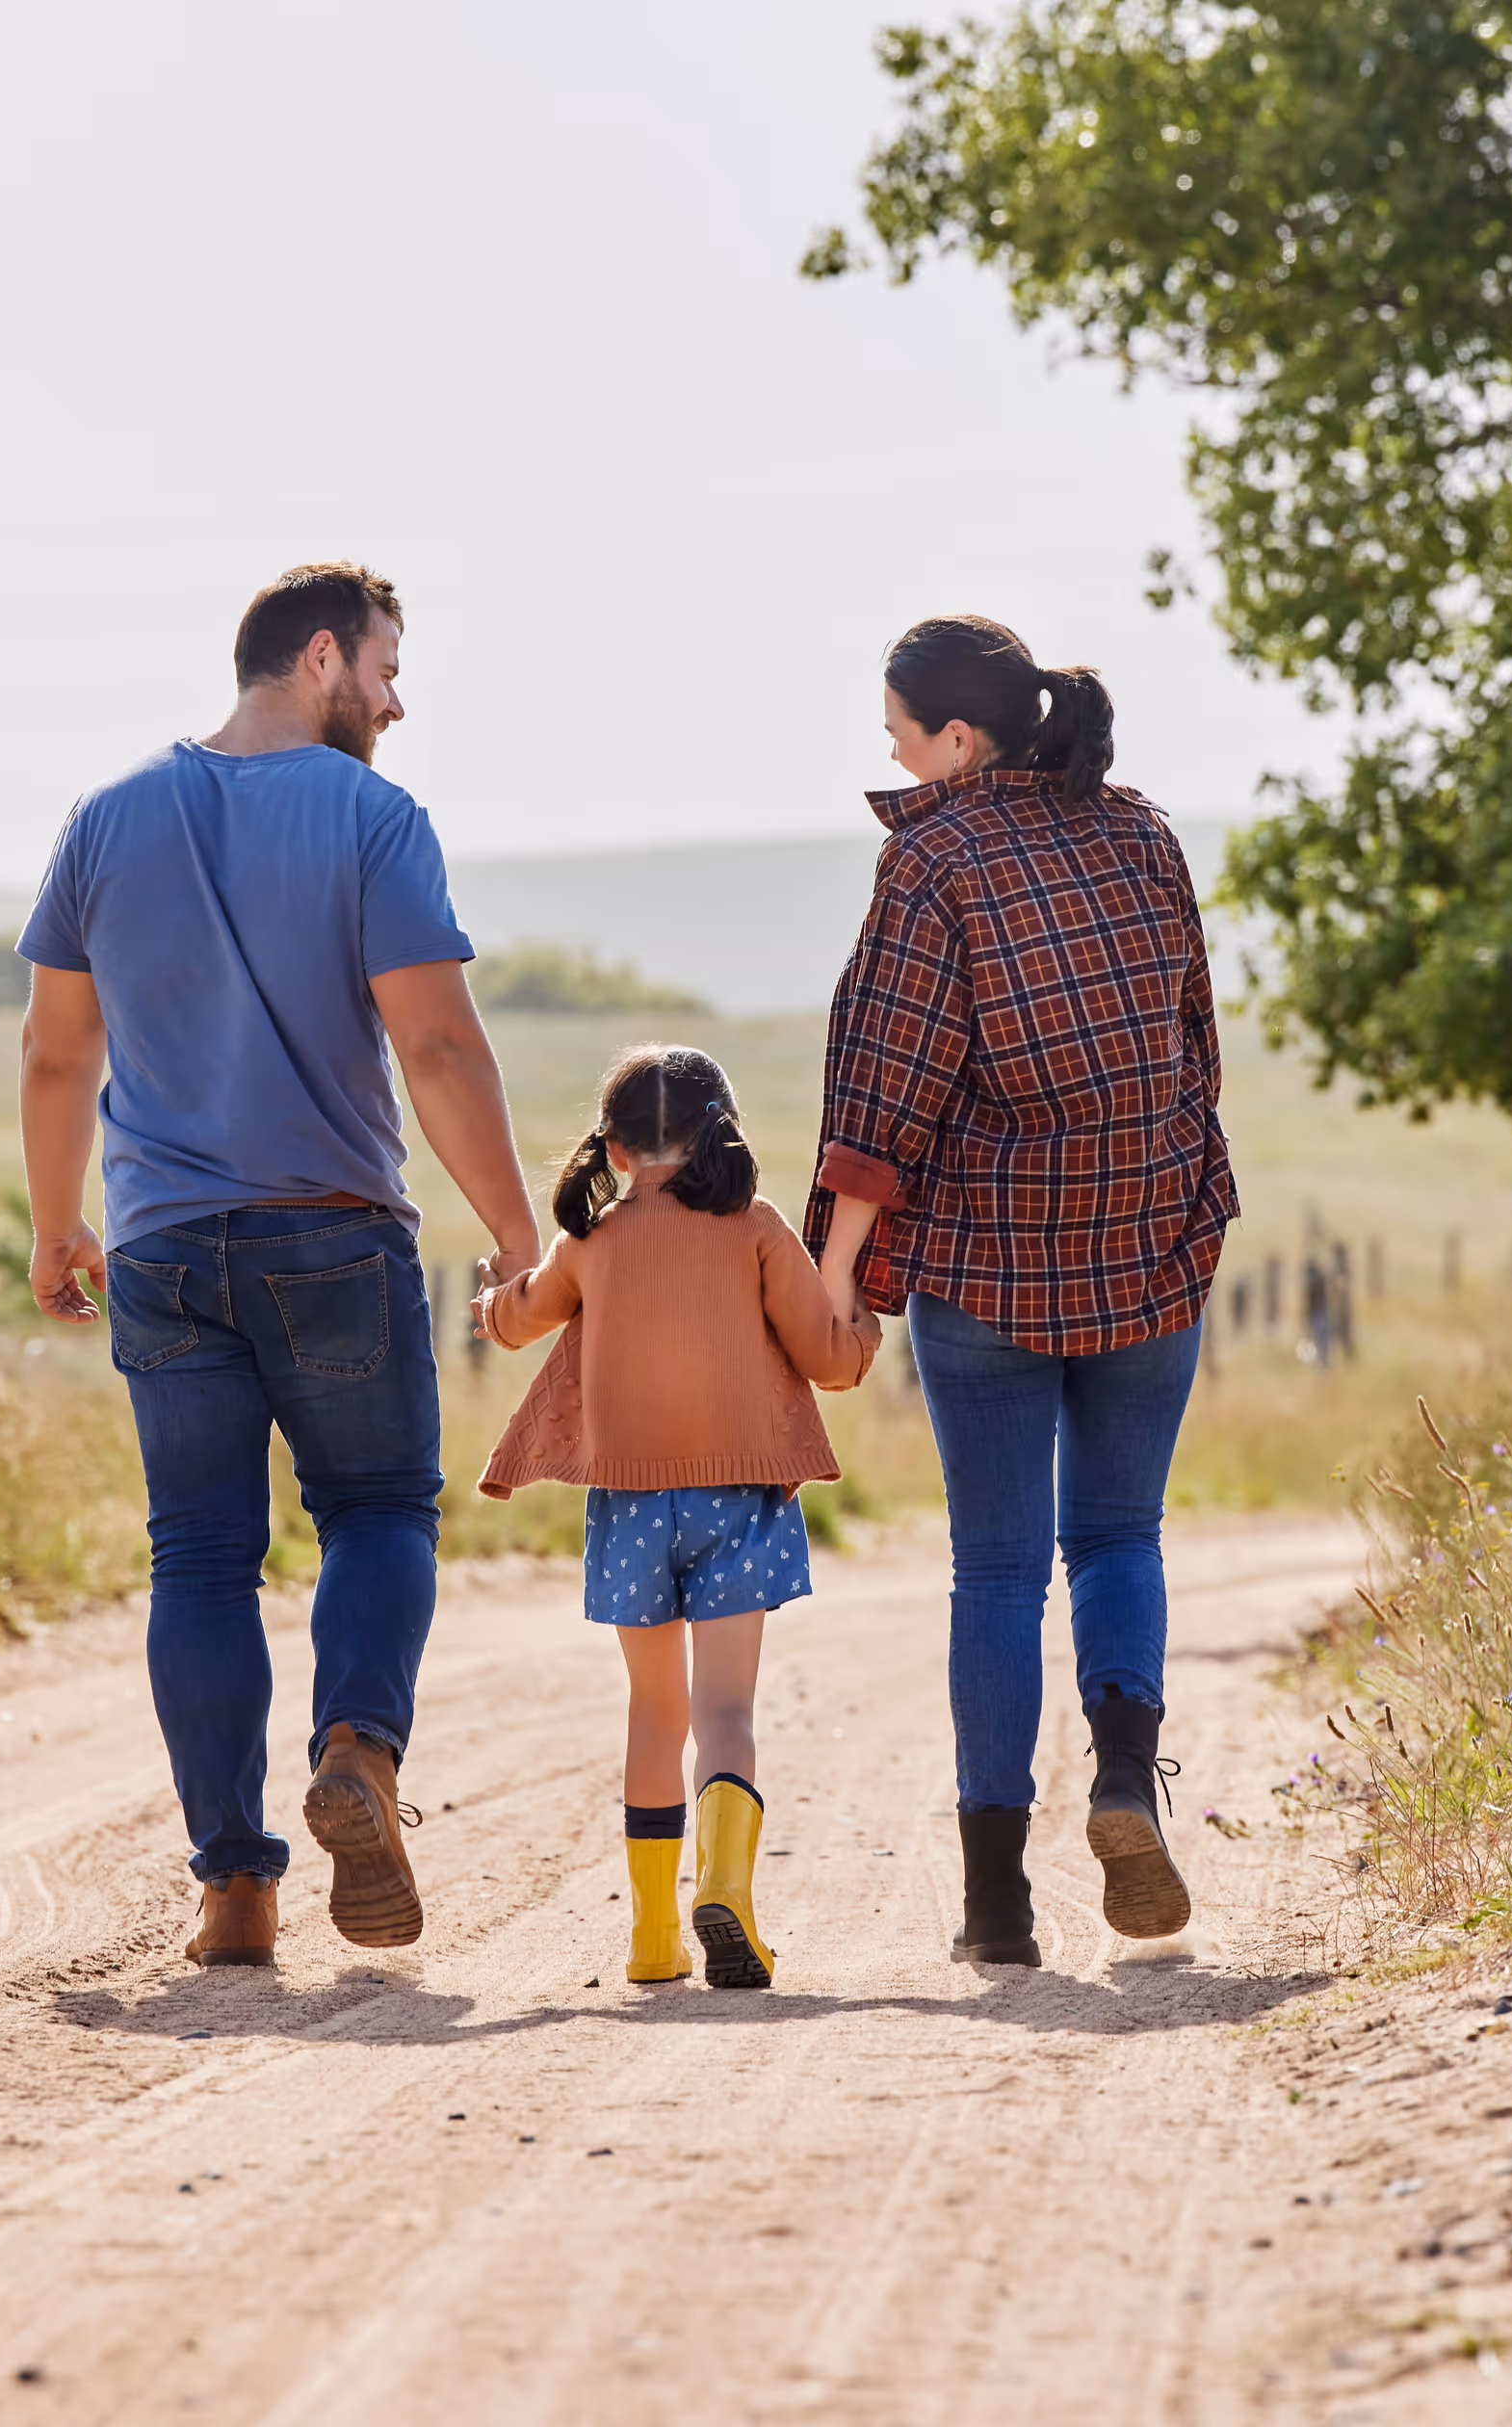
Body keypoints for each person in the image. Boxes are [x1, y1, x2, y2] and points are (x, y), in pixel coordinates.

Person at [17, 561, 540, 1969]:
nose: (395, 697)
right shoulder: (374, 818)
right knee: (376, 1511)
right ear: (319, 659)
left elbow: (57, 1050)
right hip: (332, 1234)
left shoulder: (103, 819)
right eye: (384, 666)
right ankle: (358, 1757)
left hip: (162, 1246)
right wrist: (512, 1226)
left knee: (199, 1555)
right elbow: (434, 1044)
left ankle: (232, 1890)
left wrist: (54, 1218)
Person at [808, 614, 1237, 1966]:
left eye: (895, 736)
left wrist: (835, 1278)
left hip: (991, 1265)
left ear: (953, 737)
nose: (891, 760)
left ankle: (996, 1908)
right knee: (1117, 1540)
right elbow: (1190, 1039)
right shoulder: (1139, 835)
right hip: (1148, 1240)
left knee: (994, 1570)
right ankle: (1122, 1779)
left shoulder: (932, 861)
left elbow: (887, 1088)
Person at [473, 1046, 877, 1988]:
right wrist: (861, 1333)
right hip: (740, 1497)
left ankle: (653, 1938)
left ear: (612, 1148)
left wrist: (495, 1289)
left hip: (628, 1511)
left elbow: (519, 1318)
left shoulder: (593, 1238)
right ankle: (726, 1892)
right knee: (725, 1711)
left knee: (654, 1715)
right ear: (719, 1133)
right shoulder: (756, 1227)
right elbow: (827, 1357)